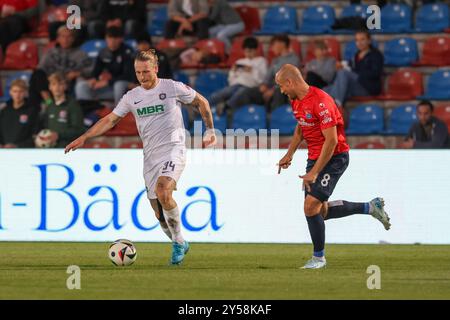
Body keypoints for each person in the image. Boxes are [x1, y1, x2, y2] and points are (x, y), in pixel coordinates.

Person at [65, 50, 217, 265]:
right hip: (150, 157)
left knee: (163, 190)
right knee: (159, 214)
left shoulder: (171, 87)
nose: (142, 76)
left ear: (155, 69)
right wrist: (85, 137)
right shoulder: (132, 96)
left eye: (146, 71)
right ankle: (180, 242)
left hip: (174, 149)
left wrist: (210, 130)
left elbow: (201, 102)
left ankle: (177, 242)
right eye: (138, 72)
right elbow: (110, 120)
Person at [276, 64, 391, 269]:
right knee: (318, 211)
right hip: (315, 158)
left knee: (310, 207)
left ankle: (318, 259)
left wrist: (314, 172)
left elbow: (331, 142)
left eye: (281, 86)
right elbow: (300, 129)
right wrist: (289, 153)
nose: (281, 91)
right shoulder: (296, 102)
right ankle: (371, 207)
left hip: (335, 158)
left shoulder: (322, 102)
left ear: (290, 82)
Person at [29, 26, 92, 109]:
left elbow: (90, 70)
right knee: (37, 74)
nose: (66, 39)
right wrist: (51, 79)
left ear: (73, 39)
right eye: (63, 36)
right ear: (58, 38)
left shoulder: (81, 54)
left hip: (67, 84)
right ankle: (47, 103)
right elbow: (40, 68)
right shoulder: (51, 52)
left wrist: (77, 73)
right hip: (50, 84)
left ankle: (53, 105)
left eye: (69, 36)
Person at [238, 35, 301, 111]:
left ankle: (275, 118)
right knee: (247, 92)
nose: (272, 48)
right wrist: (264, 85)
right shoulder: (275, 60)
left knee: (278, 93)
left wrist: (273, 90)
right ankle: (249, 116)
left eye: (274, 45)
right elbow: (268, 77)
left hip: (284, 90)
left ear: (282, 44)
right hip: (271, 88)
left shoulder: (294, 59)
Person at [75, 26, 135, 105]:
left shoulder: (127, 51)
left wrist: (107, 82)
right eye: (109, 38)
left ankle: (119, 113)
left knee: (119, 84)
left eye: (115, 38)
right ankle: (89, 110)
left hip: (128, 86)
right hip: (111, 86)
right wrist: (94, 79)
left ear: (121, 39)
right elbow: (96, 70)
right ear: (106, 39)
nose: (112, 41)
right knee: (81, 85)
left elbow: (128, 75)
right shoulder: (104, 52)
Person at [209, 36, 267, 115]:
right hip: (236, 85)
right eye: (246, 51)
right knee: (223, 92)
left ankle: (225, 106)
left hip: (251, 87)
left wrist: (252, 70)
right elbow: (231, 80)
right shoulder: (239, 61)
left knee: (241, 92)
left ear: (256, 50)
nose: (248, 54)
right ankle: (203, 106)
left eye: (250, 51)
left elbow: (261, 80)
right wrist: (233, 71)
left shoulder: (261, 61)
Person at [324, 30, 383, 106]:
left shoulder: (376, 55)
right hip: (355, 85)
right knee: (325, 90)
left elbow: (375, 73)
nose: (359, 42)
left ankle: (337, 104)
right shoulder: (357, 55)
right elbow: (351, 66)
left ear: (369, 41)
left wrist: (355, 73)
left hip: (368, 88)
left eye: (362, 39)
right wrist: (345, 66)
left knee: (343, 73)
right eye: (357, 40)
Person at [41, 72, 85, 148]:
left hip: (68, 149)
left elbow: (79, 130)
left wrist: (58, 135)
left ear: (65, 86)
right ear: (50, 87)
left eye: (60, 84)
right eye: (54, 84)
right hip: (51, 149)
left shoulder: (73, 105)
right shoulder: (50, 106)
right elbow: (47, 128)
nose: (57, 87)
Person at [0, 79, 39, 148]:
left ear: (26, 93)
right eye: (15, 91)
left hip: (23, 152)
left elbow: (34, 135)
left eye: (20, 91)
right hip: (4, 151)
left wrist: (17, 146)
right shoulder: (4, 111)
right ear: (10, 92)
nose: (17, 95)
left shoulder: (32, 111)